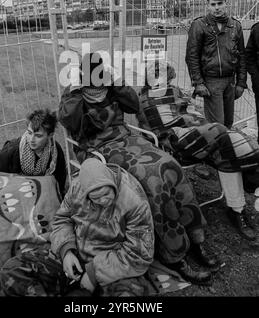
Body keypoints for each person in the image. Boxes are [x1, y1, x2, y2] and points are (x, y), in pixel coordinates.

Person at [57, 51, 221, 285]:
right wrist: (75, 90)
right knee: (152, 178)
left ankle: (195, 238)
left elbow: (133, 106)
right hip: (98, 149)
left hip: (127, 139)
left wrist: (118, 83)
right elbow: (69, 121)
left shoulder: (110, 86)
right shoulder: (74, 93)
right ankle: (174, 254)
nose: (97, 82)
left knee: (169, 164)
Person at [0, 157, 154, 297]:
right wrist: (66, 251)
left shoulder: (134, 201)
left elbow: (139, 254)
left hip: (112, 264)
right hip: (76, 257)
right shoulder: (77, 188)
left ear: (112, 184)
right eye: (96, 198)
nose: (103, 200)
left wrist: (93, 273)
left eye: (106, 193)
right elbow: (62, 220)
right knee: (12, 270)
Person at [185, 0, 256, 241]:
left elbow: (241, 58)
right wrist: (198, 83)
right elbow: (192, 56)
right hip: (211, 82)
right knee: (218, 129)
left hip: (229, 82)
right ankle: (220, 167)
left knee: (226, 124)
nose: (218, 7)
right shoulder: (199, 26)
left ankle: (218, 163)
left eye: (221, 3)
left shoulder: (236, 26)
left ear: (227, 3)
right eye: (214, 3)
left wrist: (240, 82)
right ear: (207, 4)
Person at [137, 62, 259, 188]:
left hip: (185, 137)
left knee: (224, 148)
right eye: (167, 78)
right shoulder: (150, 97)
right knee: (220, 133)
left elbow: (187, 111)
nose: (169, 81)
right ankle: (251, 169)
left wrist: (194, 120)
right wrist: (193, 122)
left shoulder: (162, 92)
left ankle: (238, 203)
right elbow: (163, 123)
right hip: (174, 143)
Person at [0, 109, 67, 198]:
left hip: (43, 195)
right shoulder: (13, 149)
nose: (31, 139)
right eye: (29, 133)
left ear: (50, 135)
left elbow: (60, 180)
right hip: (14, 195)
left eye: (38, 136)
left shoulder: (55, 151)